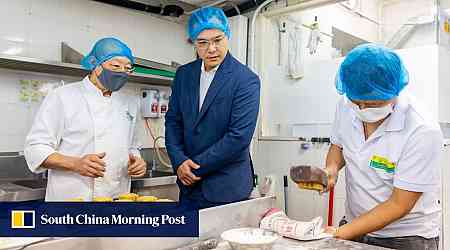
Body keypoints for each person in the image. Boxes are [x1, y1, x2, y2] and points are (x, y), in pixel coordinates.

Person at [324, 43, 442, 250]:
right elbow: (338, 145)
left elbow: (399, 204)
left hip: (405, 236)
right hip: (354, 222)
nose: (362, 109)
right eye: (356, 102)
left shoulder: (421, 130)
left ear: (394, 91)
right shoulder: (345, 105)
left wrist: (340, 233)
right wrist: (331, 170)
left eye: (372, 104)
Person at [24, 38, 147, 201]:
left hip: (116, 196)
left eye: (128, 68)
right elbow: (35, 148)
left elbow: (132, 146)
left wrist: (137, 161)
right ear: (96, 66)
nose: (122, 72)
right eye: (116, 66)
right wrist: (75, 163)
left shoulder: (130, 102)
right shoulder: (63, 96)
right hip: (72, 197)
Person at [165, 7, 261, 209]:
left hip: (226, 188)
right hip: (188, 188)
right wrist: (179, 161)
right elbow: (173, 121)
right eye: (203, 42)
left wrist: (192, 169)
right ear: (194, 43)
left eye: (217, 40)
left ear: (227, 36)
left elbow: (238, 137)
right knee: (187, 241)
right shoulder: (184, 75)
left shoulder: (245, 80)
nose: (211, 49)